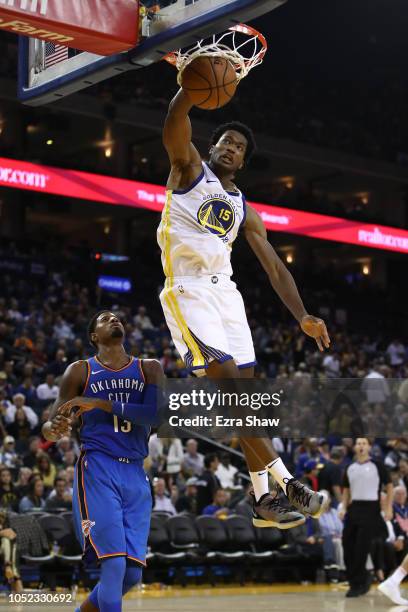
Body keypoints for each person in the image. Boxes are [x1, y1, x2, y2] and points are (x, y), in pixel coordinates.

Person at [157, 84, 330, 528]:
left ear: (244, 161)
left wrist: (303, 316)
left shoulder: (244, 208)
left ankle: (260, 500)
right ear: (211, 145)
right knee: (233, 392)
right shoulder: (188, 168)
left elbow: (275, 268)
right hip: (189, 290)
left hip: (227, 296)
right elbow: (175, 124)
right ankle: (288, 481)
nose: (232, 149)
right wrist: (187, 88)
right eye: (227, 142)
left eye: (239, 148)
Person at [42, 310, 163, 612]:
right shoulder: (80, 371)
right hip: (99, 468)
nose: (114, 319)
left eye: (117, 317)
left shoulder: (149, 368)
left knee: (131, 573)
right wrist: (54, 429)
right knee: (113, 566)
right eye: (105, 318)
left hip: (136, 473)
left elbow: (155, 416)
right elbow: (50, 424)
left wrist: (98, 403)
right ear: (94, 336)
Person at [341, 438, 393, 598]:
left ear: (369, 447)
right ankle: (358, 578)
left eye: (364, 443)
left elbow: (389, 485)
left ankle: (358, 583)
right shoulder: (350, 467)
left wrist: (388, 507)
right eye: (358, 443)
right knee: (347, 542)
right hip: (354, 507)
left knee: (361, 547)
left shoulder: (378, 466)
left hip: (371, 508)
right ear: (355, 447)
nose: (361, 446)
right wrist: (343, 507)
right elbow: (346, 490)